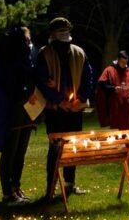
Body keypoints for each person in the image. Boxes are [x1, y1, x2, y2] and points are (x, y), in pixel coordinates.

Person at [35, 17, 94, 198]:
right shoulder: (45, 54)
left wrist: (80, 99)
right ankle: (51, 186)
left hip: (75, 110)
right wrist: (60, 100)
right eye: (61, 30)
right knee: (55, 149)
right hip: (55, 110)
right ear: (52, 34)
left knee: (72, 148)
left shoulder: (79, 53)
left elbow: (88, 78)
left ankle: (69, 184)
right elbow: (42, 81)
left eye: (66, 29)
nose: (65, 33)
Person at [0, 26, 37, 204]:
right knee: (11, 151)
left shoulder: (28, 57)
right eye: (26, 38)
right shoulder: (9, 59)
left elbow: (31, 78)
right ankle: (7, 191)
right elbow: (10, 86)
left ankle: (16, 187)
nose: (29, 41)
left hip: (26, 112)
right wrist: (26, 94)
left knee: (21, 152)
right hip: (14, 111)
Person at [95, 50, 129, 140]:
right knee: (117, 128)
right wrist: (114, 88)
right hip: (115, 105)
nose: (124, 64)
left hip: (128, 106)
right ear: (118, 60)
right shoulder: (109, 70)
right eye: (123, 62)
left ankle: (128, 143)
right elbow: (102, 84)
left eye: (126, 62)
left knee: (128, 128)